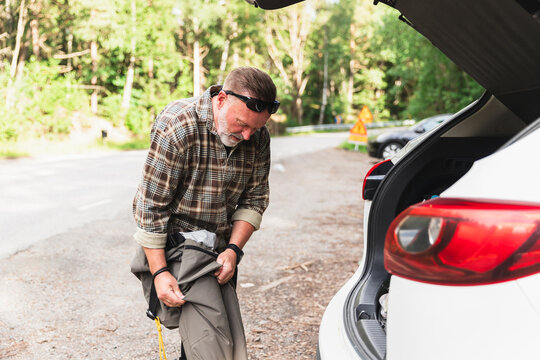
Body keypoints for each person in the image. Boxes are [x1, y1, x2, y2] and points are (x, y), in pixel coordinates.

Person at [132, 66, 279, 358]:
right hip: (177, 251)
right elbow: (151, 206)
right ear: (221, 100)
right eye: (241, 124)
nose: (248, 136)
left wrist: (234, 251)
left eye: (256, 128)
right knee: (214, 348)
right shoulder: (178, 125)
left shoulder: (257, 138)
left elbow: (255, 199)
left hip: (221, 250)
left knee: (222, 339)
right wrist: (160, 272)